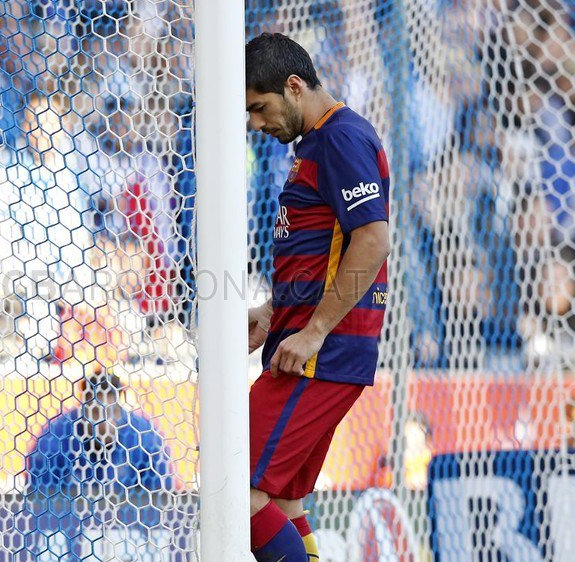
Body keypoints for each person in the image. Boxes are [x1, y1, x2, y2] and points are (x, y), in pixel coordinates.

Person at [245, 33, 391, 561]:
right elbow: (321, 249)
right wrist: (275, 313)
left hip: (319, 355)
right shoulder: (318, 142)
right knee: (284, 502)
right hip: (310, 346)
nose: (255, 124)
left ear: (294, 85)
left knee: (233, 487)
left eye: (260, 108)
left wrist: (314, 330)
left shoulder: (340, 138)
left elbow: (373, 239)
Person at [25, 368, 172, 559]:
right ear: (83, 406)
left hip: (127, 532)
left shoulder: (145, 438)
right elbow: (38, 499)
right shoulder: (53, 439)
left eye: (112, 411)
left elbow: (160, 499)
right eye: (95, 411)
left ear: (120, 407)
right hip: (69, 532)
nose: (104, 420)